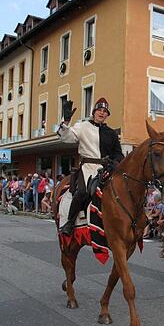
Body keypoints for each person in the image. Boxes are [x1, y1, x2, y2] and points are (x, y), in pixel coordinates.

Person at [57, 96, 123, 235]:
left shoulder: (111, 133)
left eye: (105, 111)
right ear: (94, 112)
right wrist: (66, 121)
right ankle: (69, 222)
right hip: (87, 168)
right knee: (82, 192)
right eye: (99, 109)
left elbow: (118, 154)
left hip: (106, 169)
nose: (102, 113)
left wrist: (115, 163)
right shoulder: (82, 126)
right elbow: (66, 137)